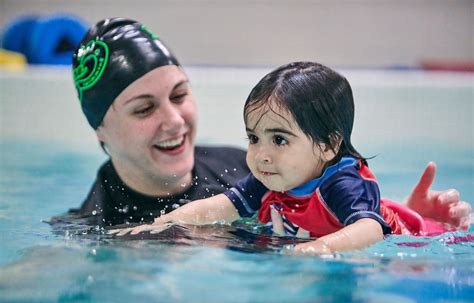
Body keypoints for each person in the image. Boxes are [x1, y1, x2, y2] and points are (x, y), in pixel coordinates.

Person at [49, 18, 471, 233]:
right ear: (100, 130)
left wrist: (407, 223)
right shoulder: (100, 231)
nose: (174, 120)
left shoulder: (248, 165)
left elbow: (327, 206)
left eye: (180, 95)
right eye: (144, 109)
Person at [113, 62, 471, 254]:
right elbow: (218, 207)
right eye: (253, 138)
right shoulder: (271, 178)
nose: (260, 155)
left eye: (279, 139)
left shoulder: (340, 183)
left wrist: (319, 249)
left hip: (420, 243)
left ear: (329, 146)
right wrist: (166, 222)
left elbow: (372, 229)